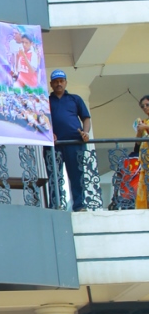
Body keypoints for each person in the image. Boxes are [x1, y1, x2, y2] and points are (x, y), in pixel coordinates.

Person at [48, 69, 92, 211]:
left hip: (74, 142)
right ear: (51, 84)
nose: (59, 84)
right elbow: (40, 121)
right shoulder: (45, 101)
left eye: (61, 81)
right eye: (56, 81)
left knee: (76, 175)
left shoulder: (75, 99)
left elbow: (86, 118)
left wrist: (85, 133)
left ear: (66, 82)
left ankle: (79, 205)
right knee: (54, 175)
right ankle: (56, 205)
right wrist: (49, 133)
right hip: (54, 145)